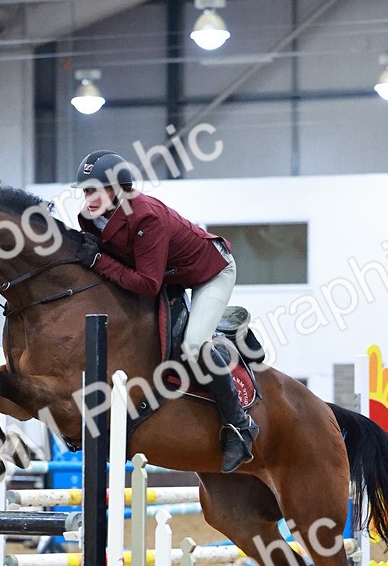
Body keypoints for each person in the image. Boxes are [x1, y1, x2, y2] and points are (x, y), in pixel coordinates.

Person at [74, 149, 259, 473]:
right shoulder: (90, 218)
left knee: (191, 346)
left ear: (117, 189)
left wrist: (98, 261)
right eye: (85, 191)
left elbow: (146, 282)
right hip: (169, 277)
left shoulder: (146, 216)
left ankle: (240, 426)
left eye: (94, 190)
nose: (88, 199)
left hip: (210, 272)